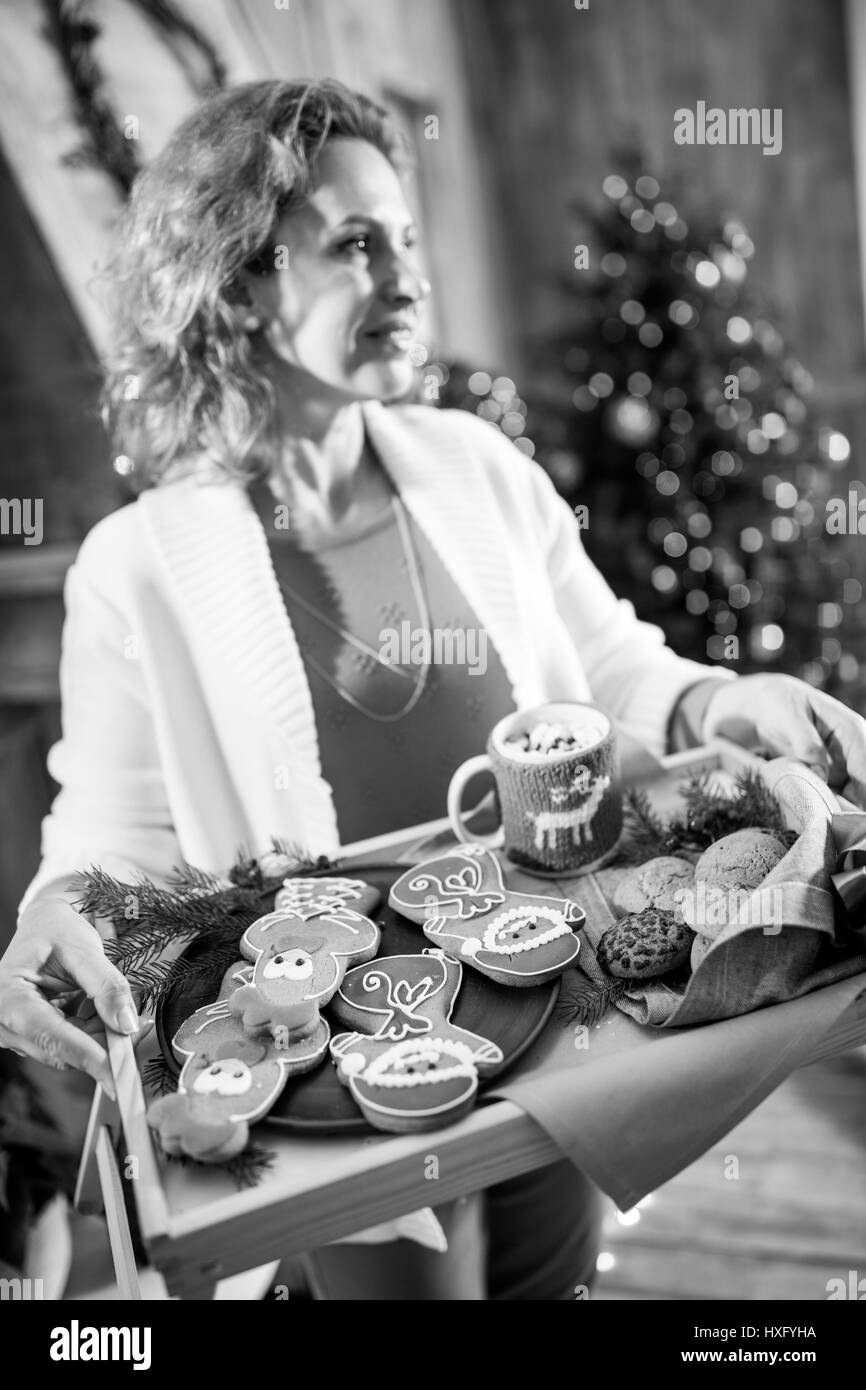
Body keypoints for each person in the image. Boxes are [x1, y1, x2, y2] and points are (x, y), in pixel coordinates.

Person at [1, 78, 865, 1300]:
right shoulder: (136, 569)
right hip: (344, 1083)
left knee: (552, 1282)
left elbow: (616, 663)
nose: (404, 277)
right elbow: (110, 845)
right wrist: (51, 916)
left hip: (548, 1009)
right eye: (353, 244)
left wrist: (729, 701)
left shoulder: (475, 467)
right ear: (239, 282)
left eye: (403, 239)